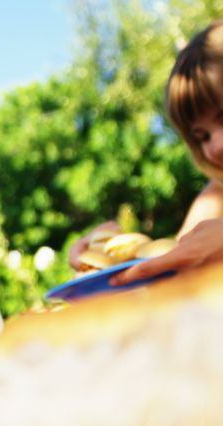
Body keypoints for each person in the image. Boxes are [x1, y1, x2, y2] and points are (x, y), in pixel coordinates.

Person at [69, 19, 223, 286]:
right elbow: (176, 273)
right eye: (202, 137)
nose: (217, 145)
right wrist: (110, 265)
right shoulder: (217, 195)